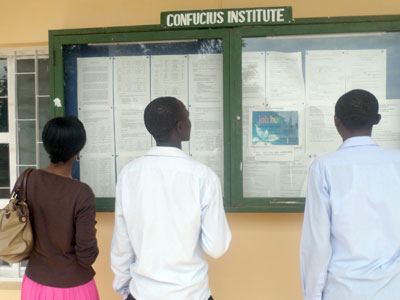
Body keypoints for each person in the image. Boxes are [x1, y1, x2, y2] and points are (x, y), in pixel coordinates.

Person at [111, 96, 231, 300]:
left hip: (143, 292)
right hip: (192, 293)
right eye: (188, 117)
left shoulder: (129, 174)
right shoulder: (203, 177)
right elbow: (216, 247)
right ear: (180, 126)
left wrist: (125, 290)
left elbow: (122, 244)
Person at [300, 89, 400, 300]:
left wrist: (312, 296)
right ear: (377, 120)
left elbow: (317, 245)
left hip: (343, 290)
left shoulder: (323, 168)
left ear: (336, 122)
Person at [20, 116, 99, 300]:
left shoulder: (27, 180)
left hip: (34, 283)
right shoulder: (81, 193)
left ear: (47, 145)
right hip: (74, 287)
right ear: (78, 149)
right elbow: (86, 256)